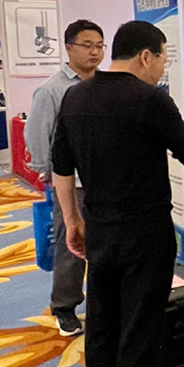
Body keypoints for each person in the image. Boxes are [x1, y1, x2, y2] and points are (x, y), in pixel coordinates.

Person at [52, 21, 184, 367]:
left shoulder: (75, 96)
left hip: (99, 228)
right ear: (146, 56)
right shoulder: (151, 99)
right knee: (141, 327)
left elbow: (61, 168)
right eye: (162, 59)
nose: (162, 68)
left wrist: (72, 220)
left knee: (103, 320)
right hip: (145, 233)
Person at [25, 18, 105, 337]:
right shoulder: (52, 89)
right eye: (87, 46)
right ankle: (65, 307)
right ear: (69, 48)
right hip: (71, 183)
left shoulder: (105, 85)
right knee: (71, 243)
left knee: (105, 243)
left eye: (99, 46)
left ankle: (102, 304)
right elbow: (37, 134)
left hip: (105, 179)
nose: (95, 52)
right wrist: (48, 172)